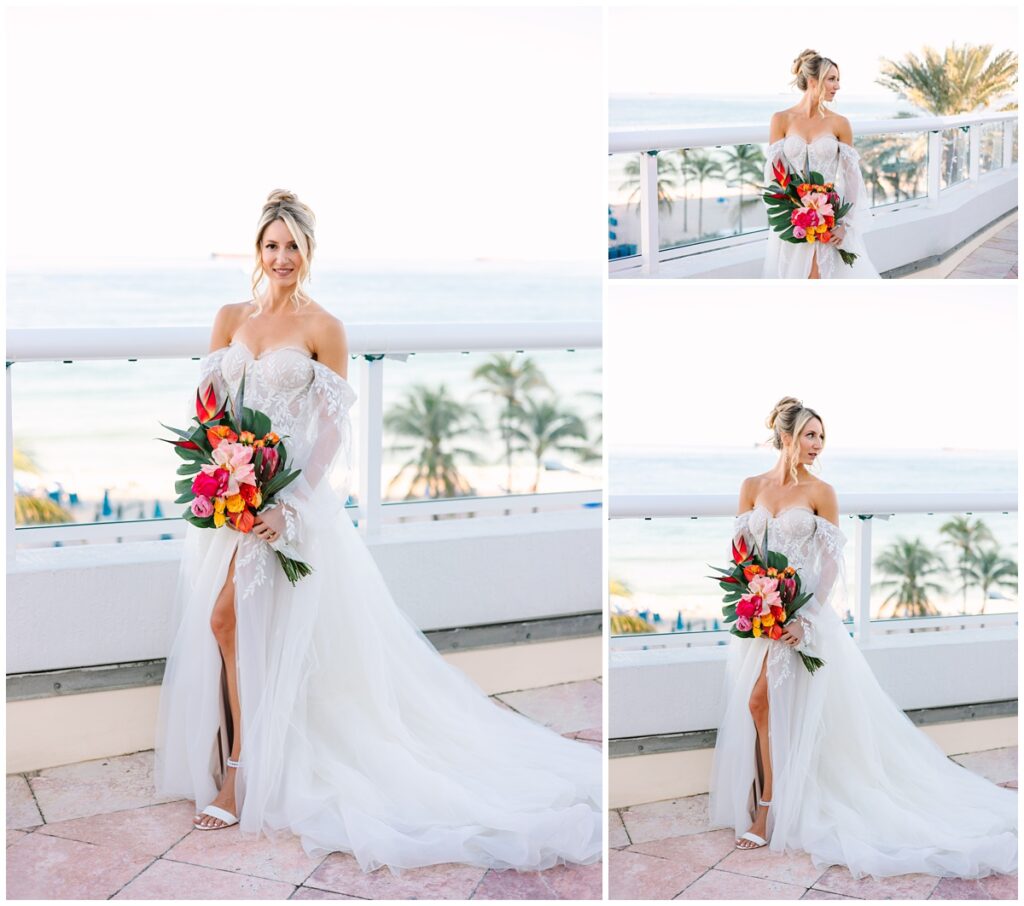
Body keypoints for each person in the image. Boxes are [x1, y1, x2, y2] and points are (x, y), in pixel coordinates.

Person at [155, 190, 601, 873]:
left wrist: (288, 504)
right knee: (227, 624)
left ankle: (243, 768)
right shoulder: (229, 317)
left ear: (309, 253)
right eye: (271, 246)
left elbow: (331, 434)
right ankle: (236, 748)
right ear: (257, 251)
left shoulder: (324, 327)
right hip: (229, 500)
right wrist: (220, 473)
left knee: (234, 620)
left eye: (292, 247)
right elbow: (209, 409)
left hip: (286, 508)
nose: (281, 258)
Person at [709, 397, 1016, 878]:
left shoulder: (822, 492)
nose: (817, 444)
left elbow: (830, 566)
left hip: (801, 620)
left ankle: (769, 807)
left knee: (762, 701)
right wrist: (753, 597)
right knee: (759, 704)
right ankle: (761, 791)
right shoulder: (751, 486)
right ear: (786, 435)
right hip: (759, 617)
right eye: (810, 434)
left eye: (821, 437)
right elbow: (740, 552)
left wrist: (803, 619)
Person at [763, 51, 881, 279]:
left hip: (830, 218)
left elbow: (852, 178)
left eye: (838, 79)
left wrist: (844, 224)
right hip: (793, 218)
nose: (837, 86)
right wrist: (792, 212)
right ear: (813, 81)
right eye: (832, 79)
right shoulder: (781, 119)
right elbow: (774, 174)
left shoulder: (840, 123)